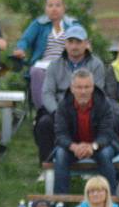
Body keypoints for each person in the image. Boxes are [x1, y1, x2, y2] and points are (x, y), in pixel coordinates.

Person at [33, 26, 106, 163]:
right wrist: (57, 111)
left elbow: (98, 93)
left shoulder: (97, 65)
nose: (74, 46)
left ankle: (92, 162)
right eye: (70, 41)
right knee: (44, 123)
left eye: (78, 42)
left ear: (86, 43)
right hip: (59, 109)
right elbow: (47, 93)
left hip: (87, 110)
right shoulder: (54, 65)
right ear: (65, 44)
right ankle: (47, 165)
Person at [53, 69, 118, 195]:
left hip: (99, 146)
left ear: (93, 87)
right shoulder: (63, 104)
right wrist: (74, 146)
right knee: (60, 154)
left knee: (105, 155)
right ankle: (60, 201)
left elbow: (107, 134)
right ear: (72, 88)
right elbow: (60, 134)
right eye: (79, 87)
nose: (83, 91)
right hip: (73, 147)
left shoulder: (104, 103)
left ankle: (111, 200)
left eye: (87, 87)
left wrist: (92, 146)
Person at [13, 0, 80, 107]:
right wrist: (20, 49)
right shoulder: (38, 24)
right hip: (43, 64)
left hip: (66, 63)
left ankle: (66, 110)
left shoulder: (73, 25)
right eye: (50, 6)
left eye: (58, 5)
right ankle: (43, 111)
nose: (54, 9)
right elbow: (25, 40)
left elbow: (82, 40)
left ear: (64, 8)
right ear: (45, 9)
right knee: (35, 71)